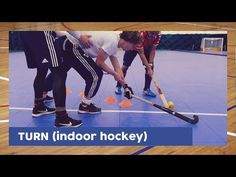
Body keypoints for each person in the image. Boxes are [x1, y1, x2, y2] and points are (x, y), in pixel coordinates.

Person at [55, 31, 140, 114]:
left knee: (60, 72)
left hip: (67, 43)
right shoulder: (113, 41)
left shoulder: (116, 39)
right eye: (132, 46)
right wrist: (114, 74)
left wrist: (125, 86)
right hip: (71, 45)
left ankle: (43, 92)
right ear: (126, 41)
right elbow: (99, 63)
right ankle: (85, 106)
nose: (132, 49)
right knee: (96, 75)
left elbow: (117, 68)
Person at [20, 31, 82, 127]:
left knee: (42, 69)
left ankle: (39, 106)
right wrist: (78, 36)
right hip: (41, 33)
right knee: (59, 73)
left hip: (26, 34)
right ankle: (61, 118)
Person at [115, 31, 161, 97]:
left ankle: (146, 89)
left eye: (154, 34)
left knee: (151, 67)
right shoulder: (141, 34)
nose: (152, 36)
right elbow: (141, 53)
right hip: (132, 48)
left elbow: (153, 50)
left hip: (146, 48)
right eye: (151, 34)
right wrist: (148, 68)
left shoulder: (158, 34)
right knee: (125, 66)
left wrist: (150, 65)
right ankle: (118, 86)